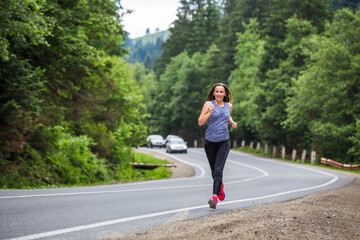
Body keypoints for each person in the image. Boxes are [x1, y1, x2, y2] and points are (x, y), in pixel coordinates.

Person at [198, 83, 237, 209]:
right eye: (217, 91)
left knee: (218, 170)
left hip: (224, 141)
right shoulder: (208, 104)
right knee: (214, 171)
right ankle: (220, 187)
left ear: (225, 93)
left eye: (221, 92)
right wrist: (209, 113)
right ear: (213, 93)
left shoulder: (229, 106)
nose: (219, 94)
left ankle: (214, 197)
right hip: (210, 142)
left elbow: (227, 116)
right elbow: (200, 122)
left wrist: (232, 122)